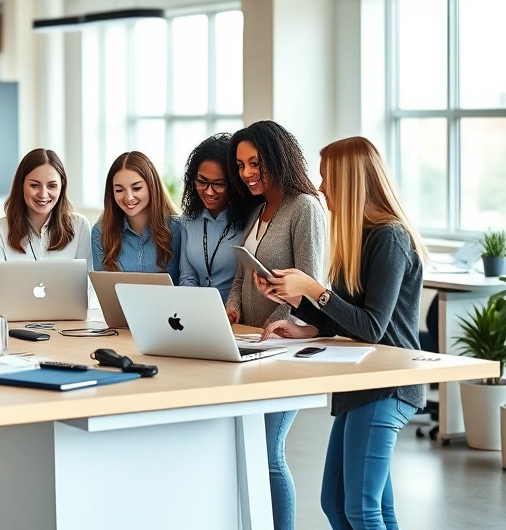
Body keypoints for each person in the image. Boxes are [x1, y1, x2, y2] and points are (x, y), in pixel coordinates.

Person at [254, 136, 427, 530]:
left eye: (328, 178)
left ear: (349, 181)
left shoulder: (390, 238)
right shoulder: (359, 238)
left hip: (387, 384)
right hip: (361, 384)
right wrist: (300, 312)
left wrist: (314, 288)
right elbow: (345, 320)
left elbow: (372, 327)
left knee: (361, 511)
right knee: (338, 503)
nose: (321, 187)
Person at [225, 120, 328, 530]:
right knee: (246, 449)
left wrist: (274, 324)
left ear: (278, 158)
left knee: (268, 452)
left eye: (256, 163)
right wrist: (232, 309)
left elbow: (309, 283)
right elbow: (239, 276)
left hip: (283, 350)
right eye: (241, 165)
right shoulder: (257, 209)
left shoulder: (304, 207)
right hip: (250, 347)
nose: (247, 173)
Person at [0, 148, 90, 313]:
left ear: (62, 186)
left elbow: (87, 287)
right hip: (17, 325)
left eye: (52, 185)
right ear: (21, 185)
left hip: (67, 324)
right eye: (34, 185)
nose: (43, 194)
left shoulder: (79, 226)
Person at [176, 133, 248, 300]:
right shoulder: (187, 221)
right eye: (202, 181)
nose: (208, 191)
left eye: (218, 184)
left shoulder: (248, 221)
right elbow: (187, 277)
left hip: (238, 317)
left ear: (234, 184)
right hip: (198, 315)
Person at [91, 151, 181, 283]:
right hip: (118, 304)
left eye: (137, 188)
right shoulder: (100, 233)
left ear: (152, 187)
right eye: (119, 190)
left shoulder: (178, 229)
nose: (129, 198)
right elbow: (105, 290)